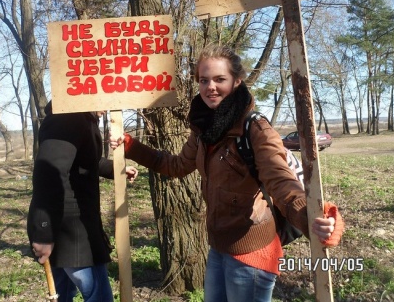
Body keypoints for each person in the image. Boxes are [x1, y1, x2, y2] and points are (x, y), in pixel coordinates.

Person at [111, 44, 344, 302]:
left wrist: (311, 217)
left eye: (219, 79)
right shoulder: (203, 129)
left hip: (251, 253)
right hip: (218, 247)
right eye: (204, 80)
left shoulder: (254, 128)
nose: (210, 86)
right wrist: (130, 146)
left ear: (236, 82)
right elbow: (175, 166)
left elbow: (280, 181)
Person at [27, 101, 138, 302]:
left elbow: (85, 160)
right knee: (99, 297)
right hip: (71, 233)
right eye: (105, 98)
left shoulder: (82, 118)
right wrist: (43, 233)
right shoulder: (68, 117)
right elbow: (48, 175)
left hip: (68, 230)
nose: (108, 105)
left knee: (66, 296)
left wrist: (116, 168)